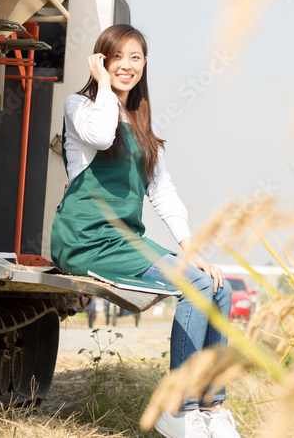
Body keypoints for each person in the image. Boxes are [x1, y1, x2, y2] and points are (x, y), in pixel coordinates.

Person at [50, 24, 240, 438]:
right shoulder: (80, 105)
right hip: (87, 238)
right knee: (195, 286)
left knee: (219, 286)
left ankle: (210, 407)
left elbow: (163, 192)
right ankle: (178, 407)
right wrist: (102, 84)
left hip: (125, 238)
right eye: (117, 57)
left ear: (145, 65)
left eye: (136, 58)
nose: (127, 66)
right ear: (101, 60)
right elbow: (100, 137)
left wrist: (191, 250)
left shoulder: (140, 121)